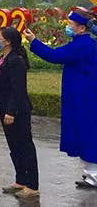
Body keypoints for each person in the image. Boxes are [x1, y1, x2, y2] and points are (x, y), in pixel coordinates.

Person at [24, 10, 97, 188]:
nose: (68, 27)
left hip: (83, 96)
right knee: (84, 131)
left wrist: (34, 41)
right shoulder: (83, 43)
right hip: (82, 94)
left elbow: (54, 56)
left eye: (71, 25)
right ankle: (90, 173)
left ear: (80, 28)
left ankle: (94, 175)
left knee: (86, 132)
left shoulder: (82, 45)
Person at [0, 27, 39, 199]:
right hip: (4, 108)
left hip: (17, 110)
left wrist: (11, 111)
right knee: (14, 147)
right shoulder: (1, 59)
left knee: (25, 146)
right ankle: (20, 179)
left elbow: (18, 90)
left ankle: (32, 185)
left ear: (8, 41)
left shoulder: (16, 61)